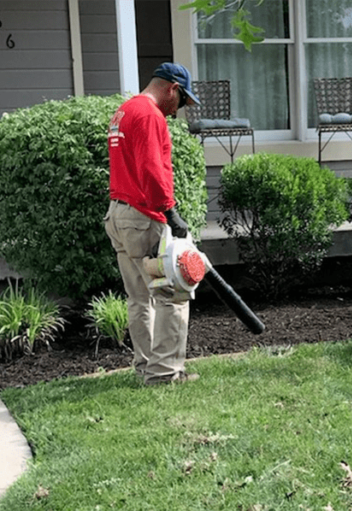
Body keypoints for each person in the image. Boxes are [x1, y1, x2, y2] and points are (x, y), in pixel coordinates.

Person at [104, 62, 201, 385]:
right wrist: (170, 212)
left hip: (118, 214)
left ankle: (147, 367)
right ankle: (164, 373)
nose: (178, 112)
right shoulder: (149, 115)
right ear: (172, 88)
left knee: (139, 298)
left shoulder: (125, 111)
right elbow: (149, 169)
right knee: (173, 292)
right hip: (143, 216)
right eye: (182, 101)